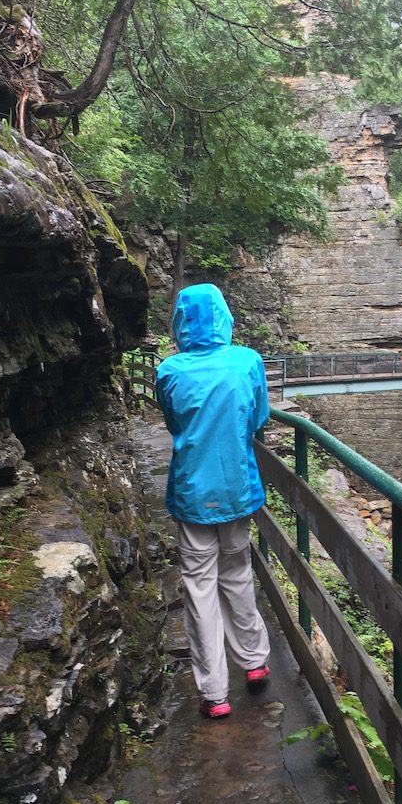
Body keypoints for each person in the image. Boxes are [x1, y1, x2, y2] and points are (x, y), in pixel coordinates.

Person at [155, 284, 271, 719]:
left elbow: (173, 422)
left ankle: (214, 693)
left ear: (181, 323)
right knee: (237, 573)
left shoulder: (169, 371)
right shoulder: (247, 362)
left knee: (200, 588)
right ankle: (255, 662)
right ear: (225, 316)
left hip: (192, 493)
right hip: (237, 488)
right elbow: (258, 418)